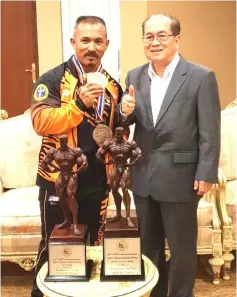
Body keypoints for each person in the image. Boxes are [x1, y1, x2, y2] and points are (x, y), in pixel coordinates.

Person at [117, 13, 220, 297]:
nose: (155, 42)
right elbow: (125, 122)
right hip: (143, 177)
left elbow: (210, 130)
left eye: (162, 35)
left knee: (182, 250)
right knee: (149, 248)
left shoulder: (200, 76)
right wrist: (124, 111)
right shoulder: (135, 76)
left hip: (182, 179)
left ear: (176, 39)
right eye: (149, 36)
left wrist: (206, 172)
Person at [30, 16, 123, 297]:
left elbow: (114, 127)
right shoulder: (52, 79)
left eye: (98, 41)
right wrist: (79, 104)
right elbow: (40, 121)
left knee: (94, 245)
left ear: (106, 45)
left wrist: (126, 115)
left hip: (98, 180)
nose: (91, 47)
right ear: (73, 42)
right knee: (55, 245)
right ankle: (42, 293)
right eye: (85, 40)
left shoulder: (113, 85)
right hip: (59, 178)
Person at [41, 135, 88, 235]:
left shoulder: (74, 152)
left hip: (71, 174)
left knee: (71, 197)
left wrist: (79, 170)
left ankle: (75, 224)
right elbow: (44, 163)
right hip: (61, 175)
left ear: (67, 141)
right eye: (61, 142)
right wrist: (52, 169)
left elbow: (84, 162)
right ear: (59, 141)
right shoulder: (55, 152)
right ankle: (67, 220)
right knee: (61, 198)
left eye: (64, 141)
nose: (63, 143)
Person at [96, 127, 142, 227]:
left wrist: (132, 163)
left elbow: (139, 153)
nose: (119, 136)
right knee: (114, 191)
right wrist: (106, 162)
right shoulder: (110, 144)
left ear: (124, 133)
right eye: (117, 134)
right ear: (115, 133)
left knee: (125, 190)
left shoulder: (129, 144)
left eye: (120, 134)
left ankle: (128, 216)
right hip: (115, 167)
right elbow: (98, 154)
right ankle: (118, 214)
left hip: (125, 168)